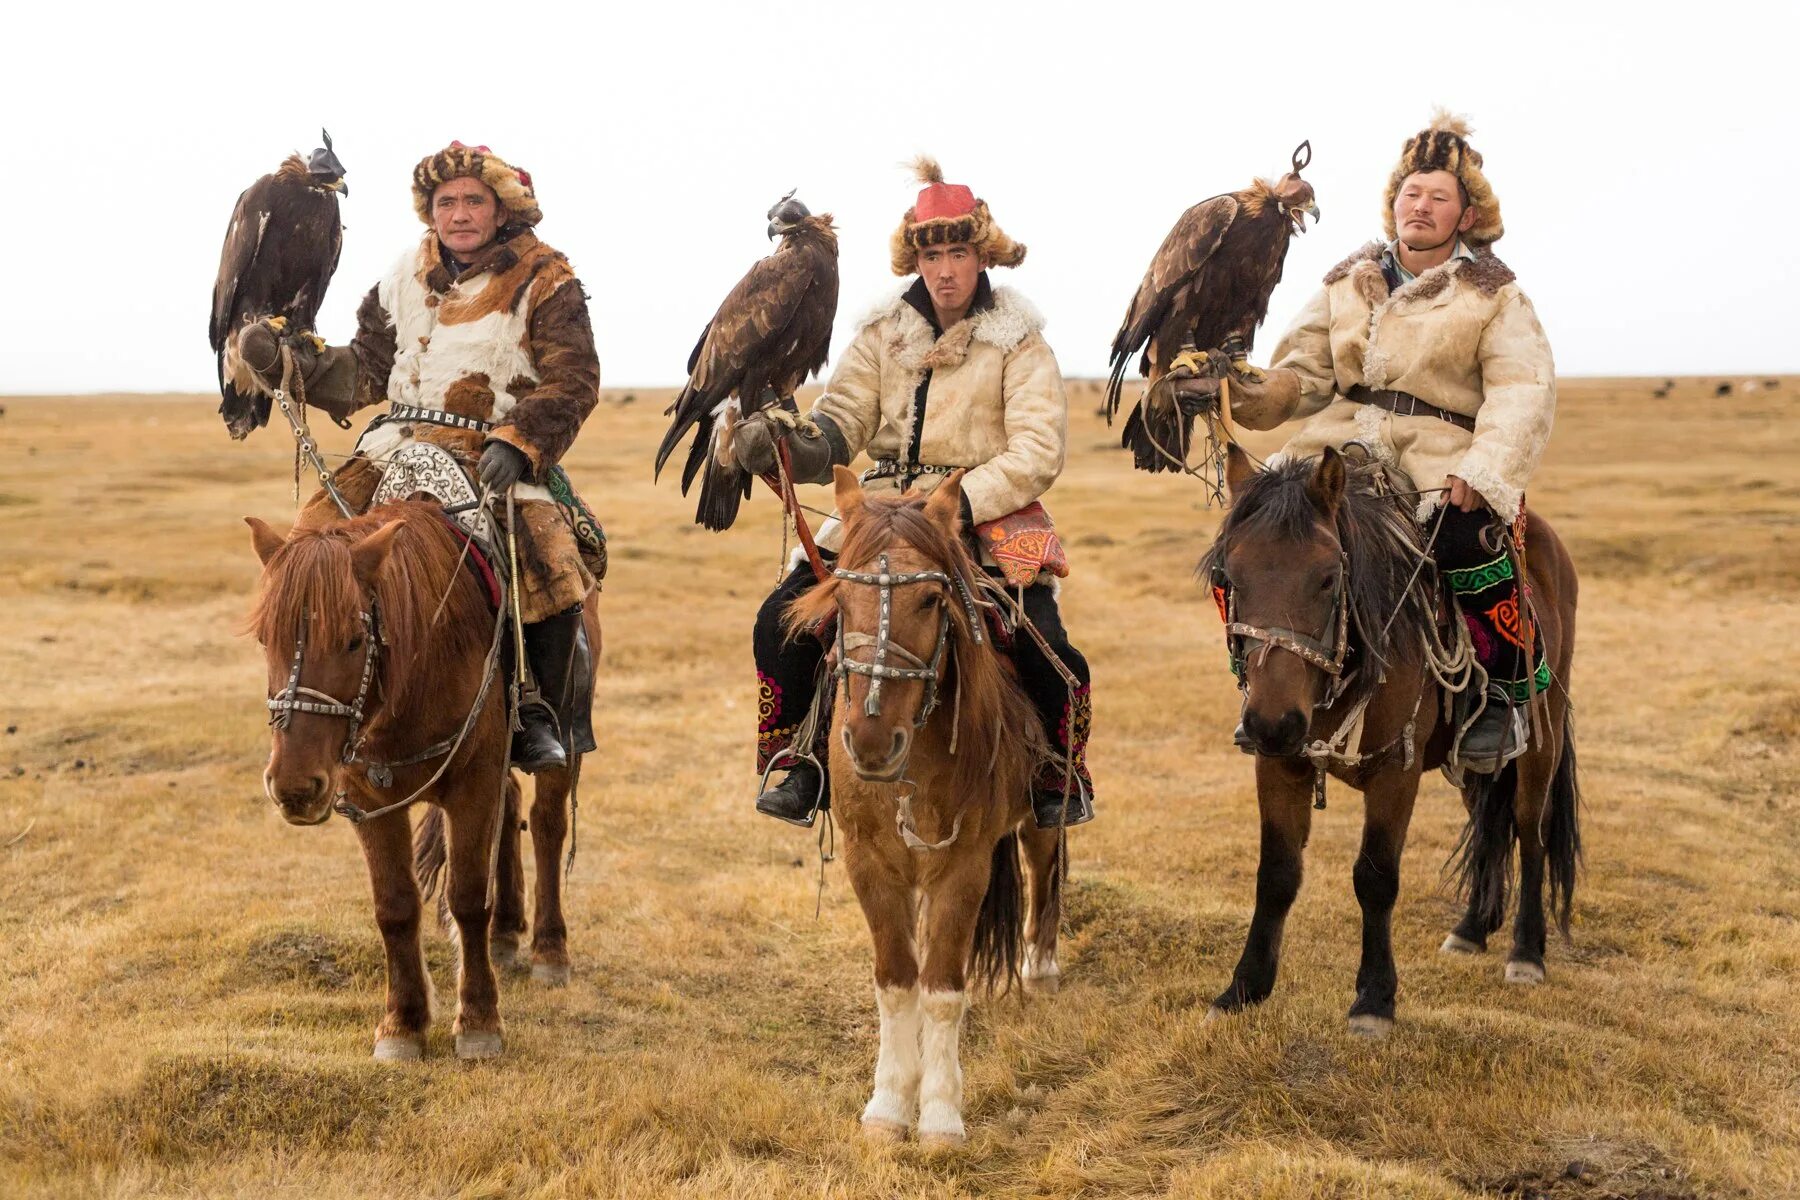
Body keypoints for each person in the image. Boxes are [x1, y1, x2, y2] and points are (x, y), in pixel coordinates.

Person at [734, 158, 1094, 829]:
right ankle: (796, 758)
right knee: (779, 622)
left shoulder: (1021, 343)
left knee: (1047, 650)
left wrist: (951, 507)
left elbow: (1037, 450)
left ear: (981, 255)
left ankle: (1057, 770)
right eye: (932, 255)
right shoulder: (881, 335)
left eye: (958, 253)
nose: (945, 270)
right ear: (916, 260)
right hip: (876, 516)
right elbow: (841, 422)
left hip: (983, 517)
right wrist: (794, 446)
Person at [239, 141, 601, 773]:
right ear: (430, 211)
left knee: (549, 557)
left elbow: (574, 379)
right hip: (392, 444)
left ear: (501, 209)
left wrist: (520, 444)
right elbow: (367, 370)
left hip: (491, 446)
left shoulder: (547, 278)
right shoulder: (404, 275)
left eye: (473, 201)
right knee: (306, 551)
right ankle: (313, 701)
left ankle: (535, 710)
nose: (459, 214)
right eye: (445, 202)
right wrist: (298, 365)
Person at [1209, 112, 1556, 769]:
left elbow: (1522, 390)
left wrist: (1483, 471)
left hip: (1437, 453)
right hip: (1335, 446)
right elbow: (1302, 375)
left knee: (1469, 545)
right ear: (1393, 202)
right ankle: (1264, 682)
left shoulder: (1494, 294)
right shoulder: (1347, 281)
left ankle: (1499, 701)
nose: (1420, 206)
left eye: (1438, 197)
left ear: (1466, 215)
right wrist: (1238, 387)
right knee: (1244, 545)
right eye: (1410, 193)